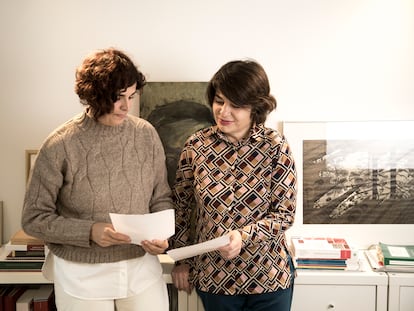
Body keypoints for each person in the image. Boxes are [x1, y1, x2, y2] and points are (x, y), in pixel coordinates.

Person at [22, 48, 172, 311]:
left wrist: (161, 235)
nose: (127, 106)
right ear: (94, 95)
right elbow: (33, 218)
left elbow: (160, 196)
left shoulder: (146, 135)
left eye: (131, 96)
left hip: (140, 266)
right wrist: (89, 231)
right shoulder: (60, 144)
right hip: (81, 273)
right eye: (118, 98)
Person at [171, 59, 297, 311]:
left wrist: (243, 236)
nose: (223, 112)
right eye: (219, 101)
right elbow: (180, 205)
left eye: (236, 105)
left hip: (269, 277)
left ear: (256, 107)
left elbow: (285, 214)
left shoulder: (275, 146)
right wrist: (181, 259)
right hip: (216, 279)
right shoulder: (196, 145)